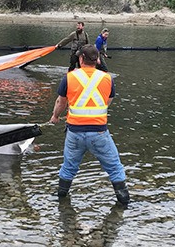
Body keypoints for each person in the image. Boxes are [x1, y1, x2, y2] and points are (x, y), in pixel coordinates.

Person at [49, 44, 129, 205]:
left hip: (74, 132)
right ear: (98, 60)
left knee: (69, 167)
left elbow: (61, 102)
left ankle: (61, 200)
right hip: (99, 133)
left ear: (80, 59)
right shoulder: (107, 78)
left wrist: (55, 116)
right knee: (114, 167)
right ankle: (125, 203)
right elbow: (107, 101)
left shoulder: (70, 77)